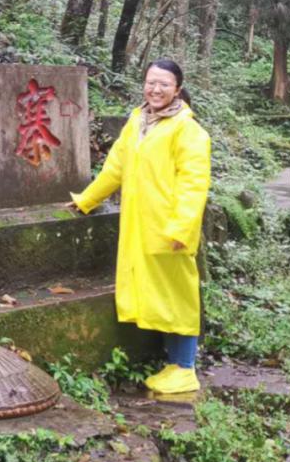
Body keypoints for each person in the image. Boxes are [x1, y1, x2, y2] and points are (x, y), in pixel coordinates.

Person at [69, 59, 211, 394]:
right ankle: (171, 364)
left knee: (179, 296)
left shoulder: (187, 129)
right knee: (160, 295)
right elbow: (115, 168)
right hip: (140, 225)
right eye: (151, 82)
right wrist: (86, 199)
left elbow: (194, 184)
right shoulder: (137, 121)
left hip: (169, 228)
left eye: (163, 84)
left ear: (177, 88)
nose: (156, 89)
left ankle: (185, 367)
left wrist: (181, 229)